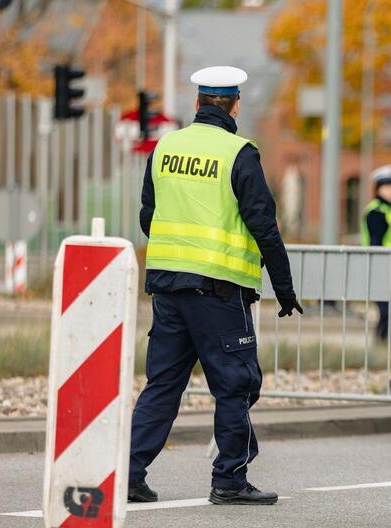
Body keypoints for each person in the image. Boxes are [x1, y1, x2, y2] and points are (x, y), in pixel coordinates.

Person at [129, 66, 303, 506]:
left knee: (163, 383)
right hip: (220, 292)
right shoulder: (239, 152)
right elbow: (264, 225)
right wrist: (284, 288)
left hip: (168, 286)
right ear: (235, 105)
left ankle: (128, 474)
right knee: (236, 385)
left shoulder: (166, 147)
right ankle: (229, 479)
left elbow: (148, 216)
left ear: (198, 103)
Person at [361, 165, 391, 342]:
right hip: (381, 269)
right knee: (389, 313)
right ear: (379, 189)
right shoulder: (376, 212)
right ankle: (386, 347)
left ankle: (386, 347)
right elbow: (376, 242)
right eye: (390, 187)